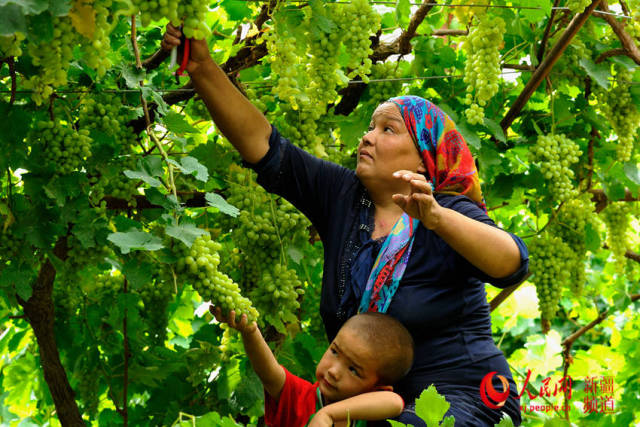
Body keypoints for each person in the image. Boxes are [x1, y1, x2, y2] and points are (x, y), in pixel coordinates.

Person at [163, 23, 529, 426]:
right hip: (375, 408)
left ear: (423, 160)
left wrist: (438, 219)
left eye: (387, 129)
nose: (367, 138)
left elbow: (511, 263)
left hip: (465, 397)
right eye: (370, 127)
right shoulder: (345, 196)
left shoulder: (447, 209)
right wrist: (202, 67)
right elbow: (265, 146)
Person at [210, 308, 414, 427]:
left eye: (353, 370)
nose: (334, 371)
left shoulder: (367, 418)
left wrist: (328, 414)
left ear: (376, 388)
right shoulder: (299, 397)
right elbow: (268, 371)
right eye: (335, 352)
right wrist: (250, 331)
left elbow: (394, 402)